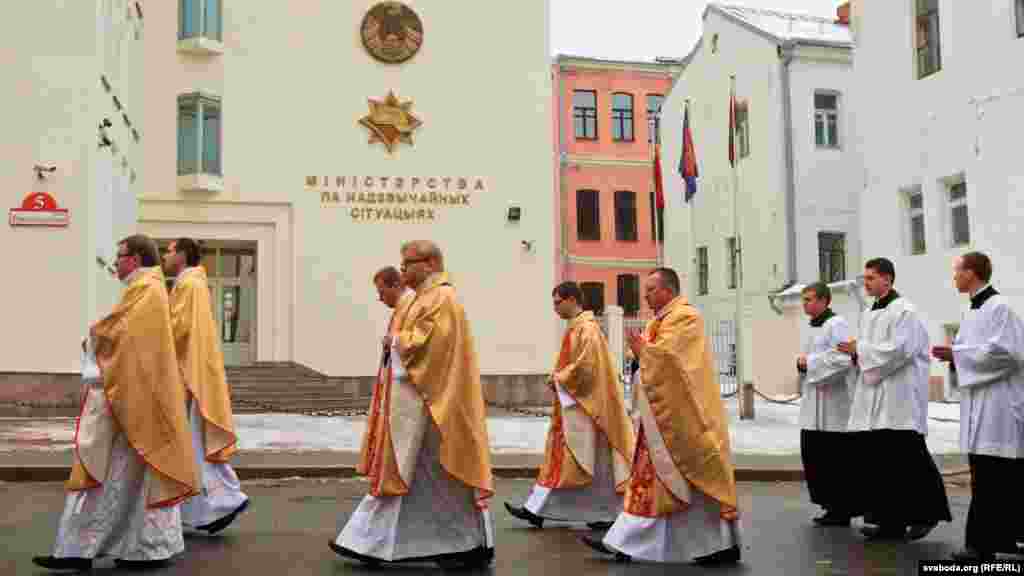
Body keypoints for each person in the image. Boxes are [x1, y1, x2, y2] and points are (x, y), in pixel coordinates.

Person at [33, 235, 197, 571]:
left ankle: (89, 551)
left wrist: (94, 337)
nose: (116, 262)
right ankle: (139, 550)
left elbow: (126, 339)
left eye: (120, 256)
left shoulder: (148, 291)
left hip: (135, 401)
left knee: (107, 475)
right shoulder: (147, 289)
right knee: (132, 480)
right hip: (140, 401)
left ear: (135, 259)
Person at [330, 241, 494, 569]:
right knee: (426, 480)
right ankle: (462, 544)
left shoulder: (442, 298)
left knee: (426, 477)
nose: (402, 271)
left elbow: (432, 348)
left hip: (434, 407)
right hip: (423, 404)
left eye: (407, 264)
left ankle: (461, 544)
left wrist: (396, 342)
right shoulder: (426, 298)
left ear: (430, 263)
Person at [580, 267, 741, 564]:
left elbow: (672, 363)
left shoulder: (685, 318)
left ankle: (719, 544)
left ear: (668, 290)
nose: (645, 295)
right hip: (660, 414)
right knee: (661, 481)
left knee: (689, 477)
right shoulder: (661, 319)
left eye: (652, 289)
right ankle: (627, 542)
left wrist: (643, 352)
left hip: (685, 415)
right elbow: (655, 358)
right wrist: (641, 354)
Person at [505, 281, 634, 530]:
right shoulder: (578, 329)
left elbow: (587, 368)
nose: (555, 308)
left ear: (572, 300)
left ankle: (543, 510)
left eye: (557, 302)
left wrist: (559, 378)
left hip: (590, 410)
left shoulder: (587, 330)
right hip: (582, 406)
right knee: (577, 464)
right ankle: (541, 509)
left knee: (577, 462)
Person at [839, 257, 951, 541]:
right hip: (875, 396)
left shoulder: (905, 311)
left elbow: (899, 350)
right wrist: (856, 353)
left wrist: (860, 350)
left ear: (887, 279)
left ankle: (927, 514)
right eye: (864, 278)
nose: (866, 283)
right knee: (881, 463)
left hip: (898, 396)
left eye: (871, 278)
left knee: (908, 458)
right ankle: (889, 522)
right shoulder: (868, 312)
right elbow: (869, 353)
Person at [932, 252, 1024, 561]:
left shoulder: (999, 308)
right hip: (981, 407)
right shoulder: (973, 312)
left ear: (972, 273)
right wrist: (956, 354)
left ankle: (981, 546)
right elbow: (978, 352)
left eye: (957, 271)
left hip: (998, 408)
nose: (954, 277)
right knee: (993, 479)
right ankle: (1003, 539)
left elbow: (1007, 354)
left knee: (993, 480)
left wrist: (958, 356)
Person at [163, 238, 250, 534]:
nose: (165, 255)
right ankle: (207, 511)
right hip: (193, 372)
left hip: (190, 375)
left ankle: (227, 498)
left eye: (170, 250)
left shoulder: (189, 285)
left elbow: (177, 327)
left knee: (197, 444)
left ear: (183, 255)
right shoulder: (191, 283)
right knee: (194, 446)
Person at [796, 282, 855, 526]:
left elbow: (843, 359)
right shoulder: (809, 327)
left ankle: (842, 508)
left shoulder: (837, 324)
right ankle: (829, 505)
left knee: (835, 459)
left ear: (824, 300)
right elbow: (808, 360)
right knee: (816, 456)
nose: (805, 304)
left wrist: (809, 364)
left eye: (809, 299)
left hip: (833, 401)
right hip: (813, 402)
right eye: (803, 300)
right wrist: (803, 364)